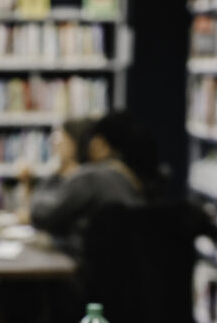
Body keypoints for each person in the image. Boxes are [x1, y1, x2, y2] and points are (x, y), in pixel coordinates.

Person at [30, 110, 163, 260]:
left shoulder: (93, 177)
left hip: (88, 275)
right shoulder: (138, 181)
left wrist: (57, 171)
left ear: (99, 145)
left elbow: (41, 215)